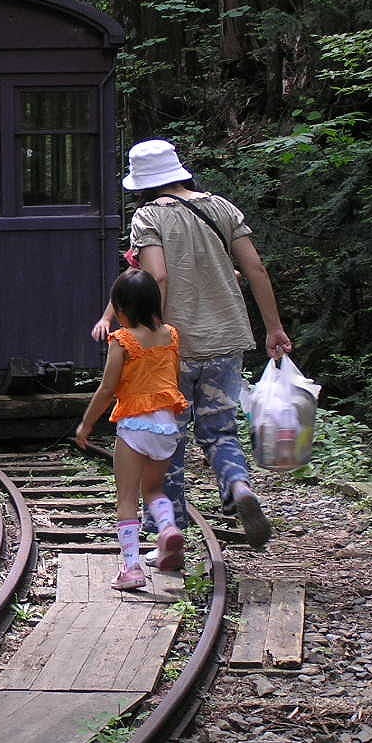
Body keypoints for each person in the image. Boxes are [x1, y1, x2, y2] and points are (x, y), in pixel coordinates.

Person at [91, 139, 291, 549]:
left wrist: (150, 335)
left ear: (143, 183)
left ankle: (170, 529)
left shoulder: (149, 216)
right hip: (226, 339)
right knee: (221, 431)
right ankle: (238, 485)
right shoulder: (222, 207)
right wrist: (273, 328)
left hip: (173, 348)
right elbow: (255, 267)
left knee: (168, 437)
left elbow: (158, 277)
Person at [76, 269, 189, 590]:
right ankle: (167, 529)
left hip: (135, 426)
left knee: (126, 498)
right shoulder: (171, 335)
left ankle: (131, 568)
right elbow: (174, 378)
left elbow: (108, 387)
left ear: (121, 309)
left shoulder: (122, 339)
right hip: (167, 426)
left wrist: (87, 423)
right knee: (153, 490)